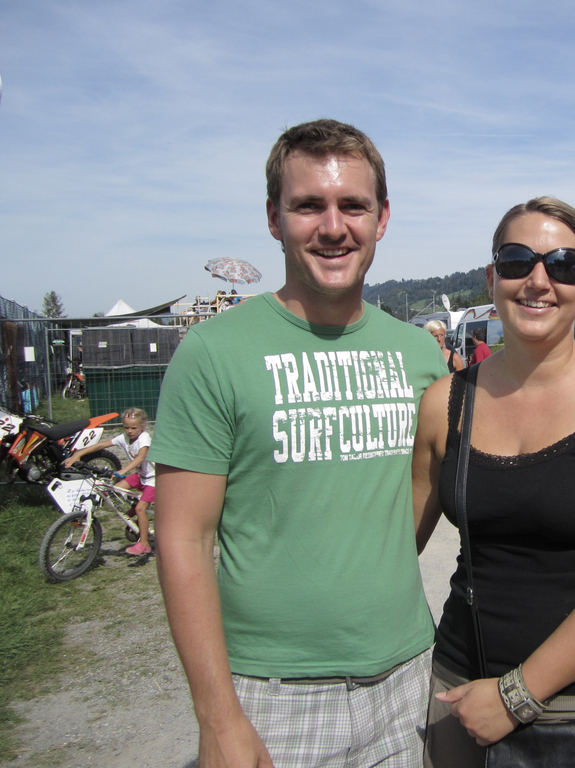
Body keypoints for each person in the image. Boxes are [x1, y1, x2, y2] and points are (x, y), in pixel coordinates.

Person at [150, 120, 448, 768]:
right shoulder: (213, 353)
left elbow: (421, 498)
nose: (333, 227)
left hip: (407, 679)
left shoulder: (420, 355)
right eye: (309, 205)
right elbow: (183, 540)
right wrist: (218, 717)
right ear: (273, 218)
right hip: (271, 694)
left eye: (353, 206)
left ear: (382, 218)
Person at [412, 197, 575, 768]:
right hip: (460, 687)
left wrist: (516, 696)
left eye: (562, 265)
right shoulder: (446, 402)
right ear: (492, 278)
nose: (538, 280)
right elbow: (393, 545)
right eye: (517, 261)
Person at [64, 406, 155, 556]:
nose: (129, 431)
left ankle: (144, 543)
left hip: (153, 479)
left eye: (133, 428)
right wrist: (78, 454)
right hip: (141, 476)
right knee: (116, 490)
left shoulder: (144, 438)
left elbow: (141, 457)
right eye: (126, 427)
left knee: (140, 509)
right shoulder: (124, 438)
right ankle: (134, 512)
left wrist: (122, 471)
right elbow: (101, 445)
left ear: (142, 426)